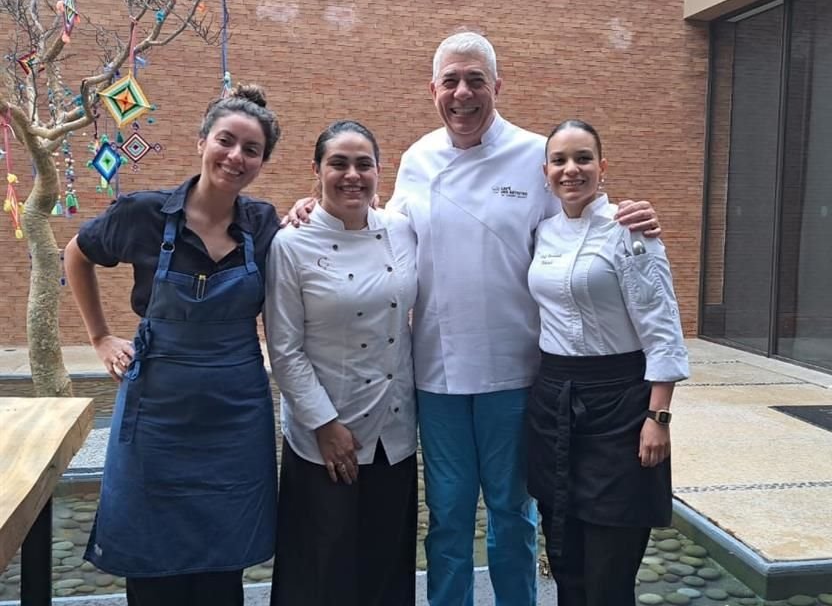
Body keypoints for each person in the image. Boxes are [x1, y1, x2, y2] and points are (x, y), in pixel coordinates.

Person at [285, 31, 661, 606]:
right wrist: (312, 208)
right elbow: (376, 224)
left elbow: (578, 217)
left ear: (497, 87)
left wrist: (629, 213)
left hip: (518, 374)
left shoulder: (535, 156)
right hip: (434, 375)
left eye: (475, 80)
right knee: (449, 519)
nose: (463, 94)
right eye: (451, 81)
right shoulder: (416, 160)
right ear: (433, 89)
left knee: (513, 515)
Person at [63, 84, 282, 606]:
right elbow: (76, 254)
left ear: (261, 162)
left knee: (222, 561)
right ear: (202, 140)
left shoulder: (263, 222)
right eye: (226, 141)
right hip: (157, 411)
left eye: (251, 150)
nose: (236, 157)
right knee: (150, 552)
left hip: (236, 412)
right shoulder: (142, 212)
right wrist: (99, 336)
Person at [526, 120, 689, 606]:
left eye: (582, 158)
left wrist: (657, 417)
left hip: (619, 406)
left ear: (602, 166)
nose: (571, 170)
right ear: (546, 170)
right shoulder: (543, 231)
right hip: (554, 401)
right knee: (564, 557)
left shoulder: (630, 231)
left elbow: (663, 330)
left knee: (609, 571)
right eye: (560, 160)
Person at [264, 121, 418, 606]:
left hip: (395, 429)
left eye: (363, 164)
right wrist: (324, 424)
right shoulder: (291, 244)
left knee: (386, 566)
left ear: (379, 171)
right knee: (321, 568)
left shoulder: (401, 229)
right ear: (316, 171)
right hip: (325, 434)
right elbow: (284, 349)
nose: (352, 175)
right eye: (338, 164)